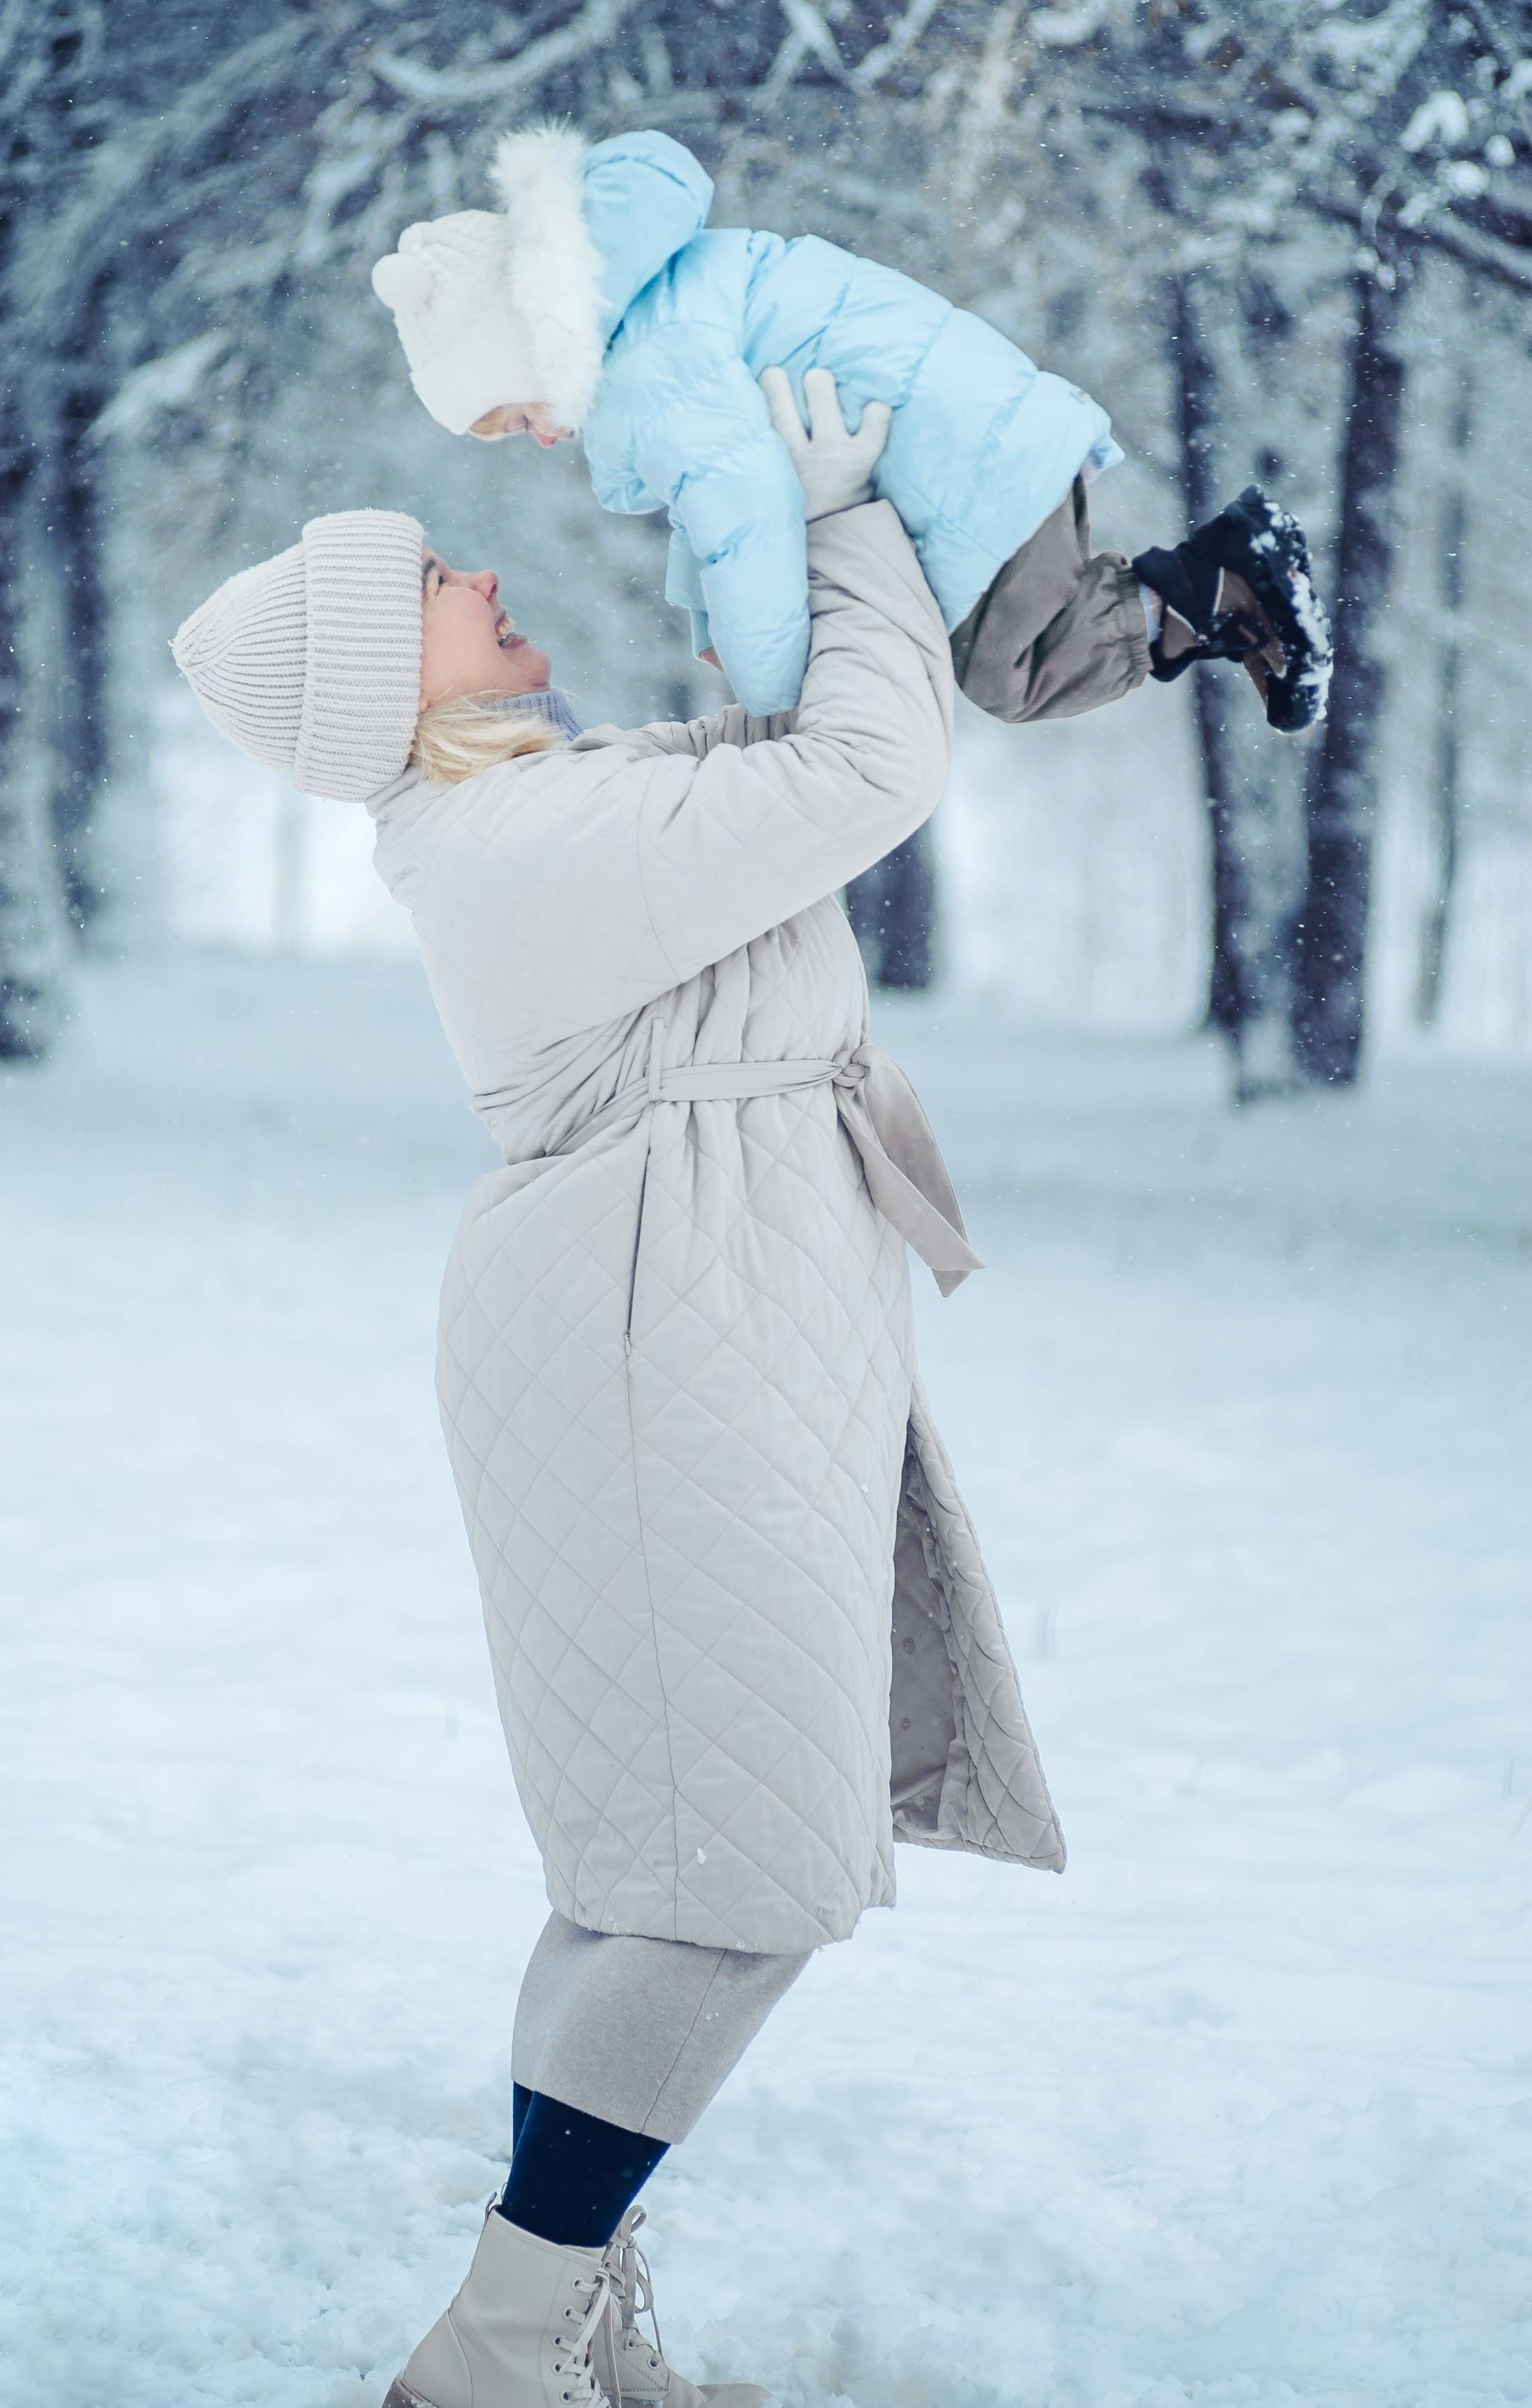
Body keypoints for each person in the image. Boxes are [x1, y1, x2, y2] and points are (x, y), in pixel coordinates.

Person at [166, 378, 1182, 2408]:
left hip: (716, 1296)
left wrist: (809, 529)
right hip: (665, 1327)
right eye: (430, 586)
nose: (476, 571)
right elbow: (869, 771)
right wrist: (843, 520)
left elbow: (797, 743)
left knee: (660, 1868)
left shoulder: (554, 797)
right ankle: (501, 2346)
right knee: (730, 1875)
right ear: (386, 678)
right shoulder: (513, 841)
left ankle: (563, 2333)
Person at [369, 123, 1332, 733]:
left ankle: (1221, 582)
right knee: (1017, 649)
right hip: (969, 433)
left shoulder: (644, 370)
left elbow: (740, 508)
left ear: (532, 350)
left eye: (516, 415)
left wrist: (780, 701)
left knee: (1013, 673)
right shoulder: (655, 306)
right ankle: (1213, 599)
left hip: (963, 466)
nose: (540, 438)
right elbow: (715, 498)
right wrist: (709, 621)